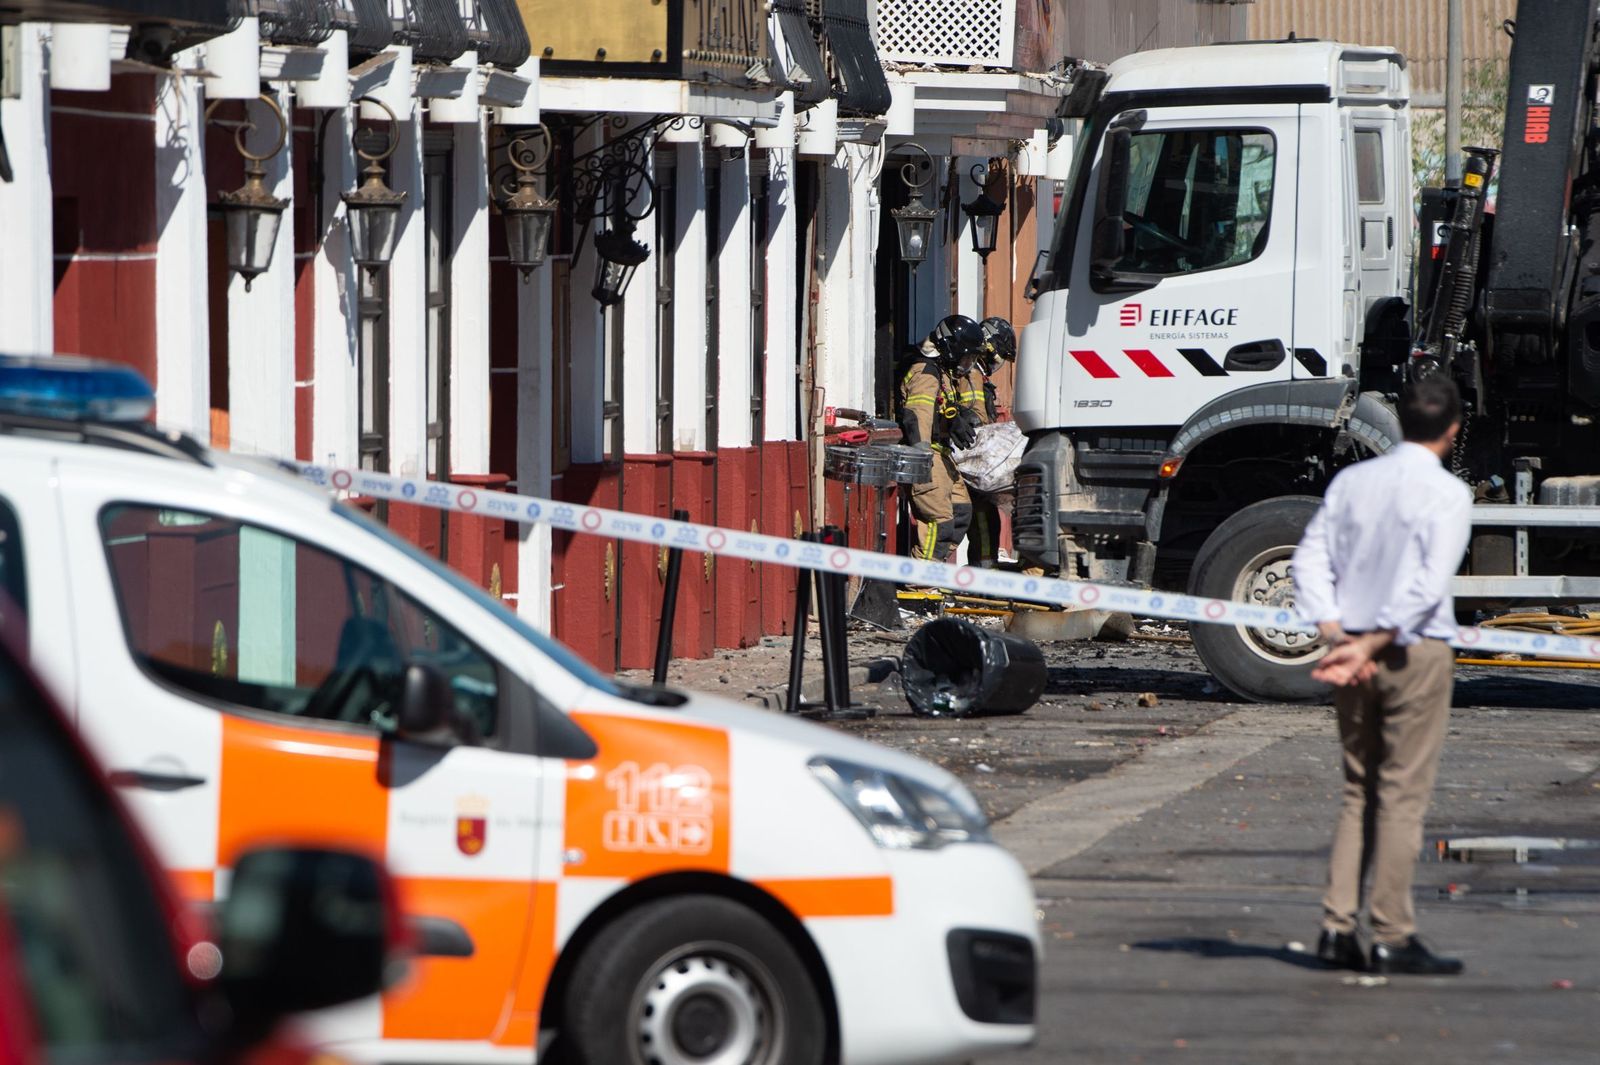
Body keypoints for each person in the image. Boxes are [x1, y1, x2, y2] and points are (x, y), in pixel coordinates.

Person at [1290, 376, 1472, 976]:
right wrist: (1369, 641)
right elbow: (1426, 587)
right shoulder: (1447, 495)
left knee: (1357, 791)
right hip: (1409, 652)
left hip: (1354, 650)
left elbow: (1309, 558)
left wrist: (1339, 635)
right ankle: (1392, 931)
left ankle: (1336, 926)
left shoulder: (1352, 482)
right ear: (1452, 429)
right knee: (1400, 796)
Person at [898, 315, 982, 561]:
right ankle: (920, 585)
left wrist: (958, 415)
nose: (968, 364)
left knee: (962, 512)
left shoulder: (941, 370)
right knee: (939, 523)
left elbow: (940, 407)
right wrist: (922, 460)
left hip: (942, 454)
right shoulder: (925, 371)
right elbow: (918, 415)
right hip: (927, 455)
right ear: (951, 348)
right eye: (966, 356)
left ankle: (934, 571)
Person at [958, 316, 1017, 567]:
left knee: (988, 520)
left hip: (977, 459)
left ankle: (985, 571)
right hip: (969, 458)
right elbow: (975, 418)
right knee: (981, 521)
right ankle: (983, 576)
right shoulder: (969, 374)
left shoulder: (979, 376)